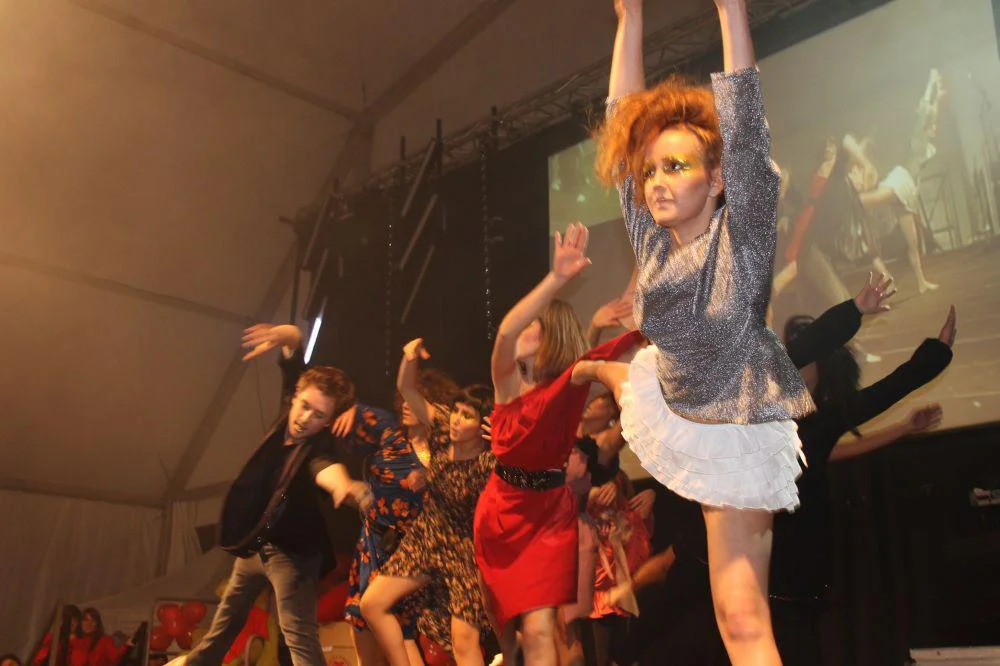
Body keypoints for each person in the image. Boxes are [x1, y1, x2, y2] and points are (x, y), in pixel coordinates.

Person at [587, 0, 833, 661]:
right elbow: (623, 121)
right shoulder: (652, 241)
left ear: (717, 178)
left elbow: (745, 126)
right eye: (652, 170)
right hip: (683, 407)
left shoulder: (742, 235)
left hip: (737, 421)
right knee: (731, 616)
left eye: (678, 166)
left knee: (742, 616)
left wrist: (731, 11)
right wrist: (629, 20)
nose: (657, 182)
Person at [473, 221, 644, 666]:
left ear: (551, 336)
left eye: (534, 324)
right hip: (500, 514)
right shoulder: (506, 383)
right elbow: (505, 333)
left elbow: (595, 364)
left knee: (539, 626)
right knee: (504, 629)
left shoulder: (568, 386)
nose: (523, 328)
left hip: (549, 517)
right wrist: (556, 278)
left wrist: (612, 373)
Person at [172, 324, 371, 666]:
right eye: (304, 406)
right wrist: (289, 334)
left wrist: (345, 486)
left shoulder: (318, 446)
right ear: (295, 397)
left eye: (319, 415)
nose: (305, 419)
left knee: (297, 634)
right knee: (225, 621)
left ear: (328, 422)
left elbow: (326, 468)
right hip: (256, 545)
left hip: (293, 556)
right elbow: (294, 355)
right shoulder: (288, 411)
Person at [361, 338, 496, 666]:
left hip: (464, 551)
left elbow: (527, 479)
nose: (456, 420)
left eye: (467, 416)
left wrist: (507, 446)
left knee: (464, 642)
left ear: (483, 425)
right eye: (457, 411)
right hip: (426, 536)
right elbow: (407, 388)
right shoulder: (440, 431)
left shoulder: (489, 461)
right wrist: (409, 358)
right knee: (371, 604)